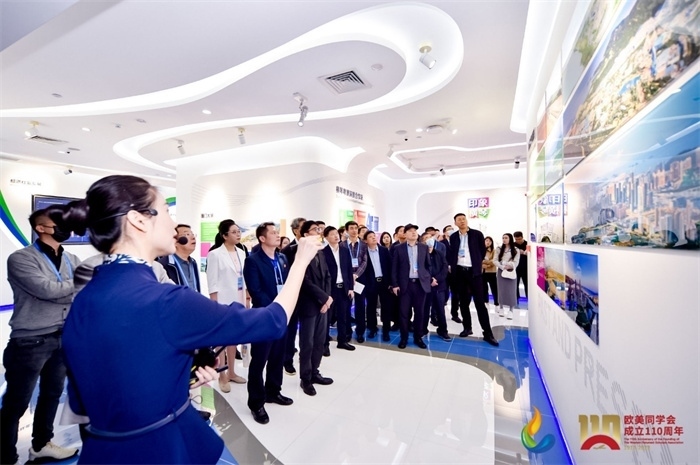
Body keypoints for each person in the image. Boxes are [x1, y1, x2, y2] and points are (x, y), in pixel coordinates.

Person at [60, 175, 322, 464]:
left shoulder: (86, 297)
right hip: (161, 451)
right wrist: (300, 262)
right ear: (138, 220)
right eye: (166, 211)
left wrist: (176, 379)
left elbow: (90, 396)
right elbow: (273, 321)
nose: (174, 225)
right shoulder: (165, 300)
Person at [1, 207, 81, 465]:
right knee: (17, 402)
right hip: (30, 341)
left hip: (63, 336)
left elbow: (76, 292)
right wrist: (78, 285)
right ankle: (6, 456)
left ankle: (41, 445)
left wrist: (70, 289)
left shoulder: (71, 258)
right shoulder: (21, 258)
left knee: (51, 394)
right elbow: (46, 290)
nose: (65, 227)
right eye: (58, 223)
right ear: (41, 228)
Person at [243, 223, 294, 425]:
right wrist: (275, 307)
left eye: (277, 232)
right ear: (262, 238)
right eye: (273, 232)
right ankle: (256, 403)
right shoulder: (253, 261)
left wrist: (285, 307)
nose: (277, 235)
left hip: (282, 315)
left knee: (278, 355)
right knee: (259, 360)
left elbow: (288, 285)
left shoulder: (282, 258)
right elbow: (256, 291)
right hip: (264, 316)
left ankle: (273, 391)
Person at [206, 219, 248, 391]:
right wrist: (214, 305)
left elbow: (244, 278)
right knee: (221, 341)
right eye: (234, 232)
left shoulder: (242, 252)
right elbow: (212, 282)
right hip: (222, 302)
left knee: (234, 339)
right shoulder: (215, 254)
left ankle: (231, 372)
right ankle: (222, 375)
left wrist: (247, 299)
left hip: (239, 300)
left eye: (239, 231)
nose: (238, 234)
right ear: (224, 236)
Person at [447, 213, 499, 346]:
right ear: (455, 223)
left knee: (480, 303)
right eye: (459, 220)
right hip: (460, 272)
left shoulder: (477, 234)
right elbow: (452, 252)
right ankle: (467, 327)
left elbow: (482, 251)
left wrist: (476, 263)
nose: (462, 221)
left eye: (463, 219)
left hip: (474, 273)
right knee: (463, 303)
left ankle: (488, 333)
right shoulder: (453, 237)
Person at [295, 221, 333, 396]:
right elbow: (304, 282)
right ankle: (305, 378)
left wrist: (327, 300)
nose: (319, 232)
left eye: (320, 229)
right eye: (315, 230)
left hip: (323, 305)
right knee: (307, 344)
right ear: (305, 235)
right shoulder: (300, 254)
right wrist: (323, 297)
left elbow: (327, 276)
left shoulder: (320, 252)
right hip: (308, 304)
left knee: (319, 341)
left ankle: (315, 372)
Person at [391, 223, 433, 349]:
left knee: (420, 312)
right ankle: (404, 338)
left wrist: (427, 278)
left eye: (415, 230)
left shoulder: (423, 247)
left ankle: (418, 337)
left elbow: (428, 265)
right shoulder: (399, 248)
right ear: (405, 234)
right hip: (405, 285)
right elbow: (394, 268)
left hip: (420, 285)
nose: (414, 232)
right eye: (410, 231)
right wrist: (395, 284)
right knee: (404, 313)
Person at [322, 226, 355, 352]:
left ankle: (342, 341)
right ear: (326, 237)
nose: (336, 236)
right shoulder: (323, 252)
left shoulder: (345, 250)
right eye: (332, 234)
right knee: (327, 318)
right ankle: (325, 344)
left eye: (336, 233)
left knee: (343, 316)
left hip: (343, 288)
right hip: (330, 289)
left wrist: (351, 287)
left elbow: (349, 270)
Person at [358, 230, 392, 341]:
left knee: (386, 306)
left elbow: (390, 266)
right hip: (371, 283)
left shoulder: (383, 250)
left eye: (374, 236)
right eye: (370, 237)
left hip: (384, 282)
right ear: (365, 241)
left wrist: (390, 283)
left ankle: (386, 329)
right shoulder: (363, 253)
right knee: (371, 307)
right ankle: (372, 328)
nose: (373, 238)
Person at [343, 221, 367, 343]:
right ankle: (348, 331)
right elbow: (341, 262)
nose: (354, 230)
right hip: (346, 279)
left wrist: (356, 275)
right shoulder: (342, 245)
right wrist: (350, 275)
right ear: (347, 230)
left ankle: (360, 332)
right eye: (351, 228)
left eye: (356, 228)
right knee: (346, 306)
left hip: (360, 278)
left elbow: (365, 261)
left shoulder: (363, 244)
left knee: (360, 306)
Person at [156, 224, 200, 291]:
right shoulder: (163, 264)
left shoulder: (193, 262)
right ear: (175, 241)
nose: (193, 237)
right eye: (187, 234)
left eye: (193, 234)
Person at [424, 235, 451, 341]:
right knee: (424, 309)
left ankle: (443, 331)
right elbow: (421, 269)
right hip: (426, 286)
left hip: (439, 286)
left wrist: (437, 279)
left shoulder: (439, 253)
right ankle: (423, 329)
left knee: (440, 309)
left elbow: (445, 267)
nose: (429, 241)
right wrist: (430, 280)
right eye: (426, 238)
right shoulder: (420, 254)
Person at [493, 233, 520, 319]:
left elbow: (516, 262)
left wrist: (509, 265)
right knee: (501, 290)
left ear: (510, 239)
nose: (504, 239)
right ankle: (501, 308)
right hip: (501, 272)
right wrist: (502, 266)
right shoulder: (499, 249)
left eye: (506, 238)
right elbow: (495, 260)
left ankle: (511, 310)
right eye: (503, 238)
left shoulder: (516, 250)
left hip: (511, 271)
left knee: (512, 291)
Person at [482, 236, 499, 311]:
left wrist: (486, 264)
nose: (488, 242)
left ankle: (496, 304)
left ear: (492, 242)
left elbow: (494, 261)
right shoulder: (481, 250)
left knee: (494, 288)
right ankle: (486, 302)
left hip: (491, 272)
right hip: (482, 272)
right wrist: (482, 264)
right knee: (484, 288)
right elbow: (478, 259)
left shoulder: (494, 251)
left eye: (489, 241)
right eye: (486, 240)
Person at [513, 231, 529, 302]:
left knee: (527, 285)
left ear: (522, 237)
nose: (518, 241)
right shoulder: (513, 245)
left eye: (519, 239)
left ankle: (529, 299)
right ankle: (516, 300)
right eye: (516, 239)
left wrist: (525, 253)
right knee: (515, 285)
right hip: (516, 268)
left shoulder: (527, 244)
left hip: (526, 268)